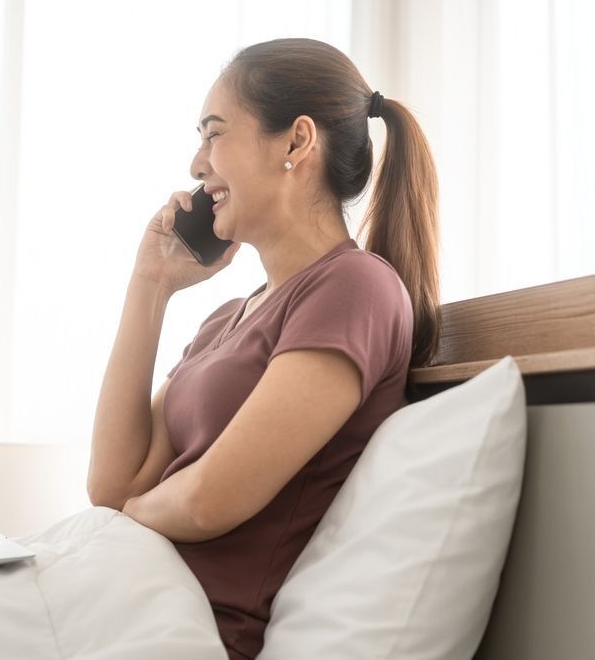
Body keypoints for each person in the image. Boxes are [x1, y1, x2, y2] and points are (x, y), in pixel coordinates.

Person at [87, 37, 440, 659]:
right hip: (126, 597)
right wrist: (150, 286)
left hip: (193, 628)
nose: (197, 165)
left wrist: (123, 517)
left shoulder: (355, 287)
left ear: (296, 142)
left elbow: (208, 500)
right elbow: (110, 484)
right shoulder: (230, 315)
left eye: (213, 134)